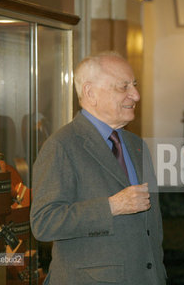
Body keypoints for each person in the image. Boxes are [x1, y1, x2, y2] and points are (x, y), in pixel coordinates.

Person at [30, 52, 166, 284]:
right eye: (123, 87)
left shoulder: (136, 145)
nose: (136, 95)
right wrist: (111, 207)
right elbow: (44, 223)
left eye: (134, 85)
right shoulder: (61, 146)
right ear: (90, 93)